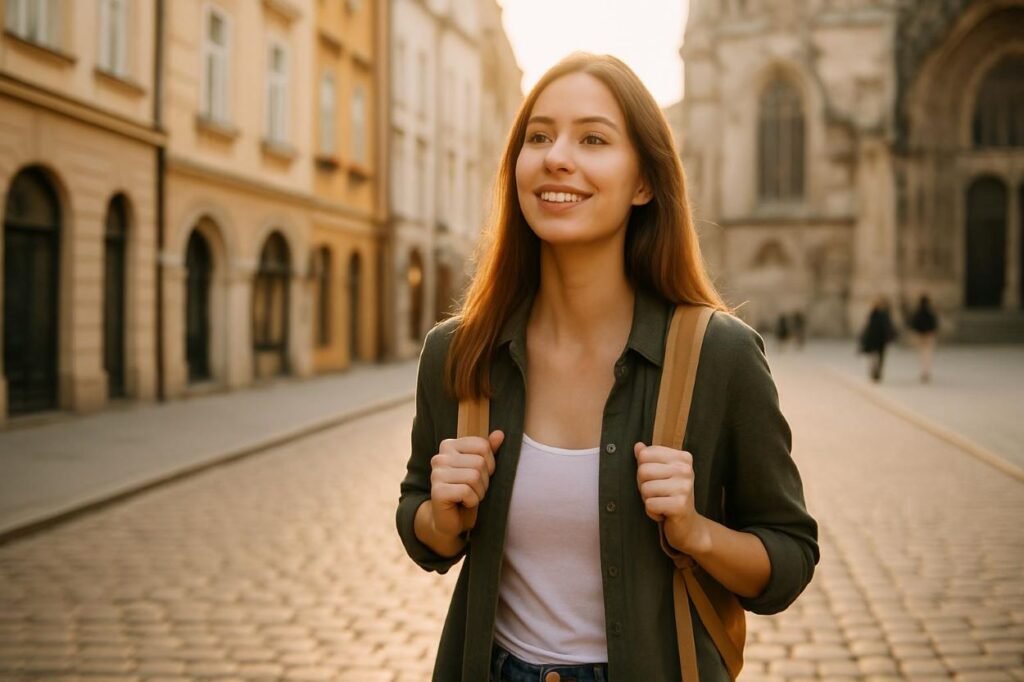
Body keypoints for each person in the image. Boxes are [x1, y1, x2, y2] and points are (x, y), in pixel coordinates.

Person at [396, 53, 819, 681]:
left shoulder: (719, 355)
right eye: (538, 136)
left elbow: (788, 557)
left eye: (593, 138)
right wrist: (441, 516)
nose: (557, 156)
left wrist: (697, 532)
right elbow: (417, 520)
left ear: (644, 182)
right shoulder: (458, 352)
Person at [859, 296, 897, 382]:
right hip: (880, 340)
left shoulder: (874, 313)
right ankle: (877, 372)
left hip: (875, 339)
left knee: (874, 357)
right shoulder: (881, 314)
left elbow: (868, 327)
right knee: (879, 357)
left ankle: (875, 372)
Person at [908, 294, 939, 382]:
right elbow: (935, 325)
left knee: (922, 355)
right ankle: (926, 371)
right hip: (928, 336)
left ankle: (924, 371)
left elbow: (913, 324)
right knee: (927, 354)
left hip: (920, 336)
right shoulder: (930, 313)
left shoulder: (917, 312)